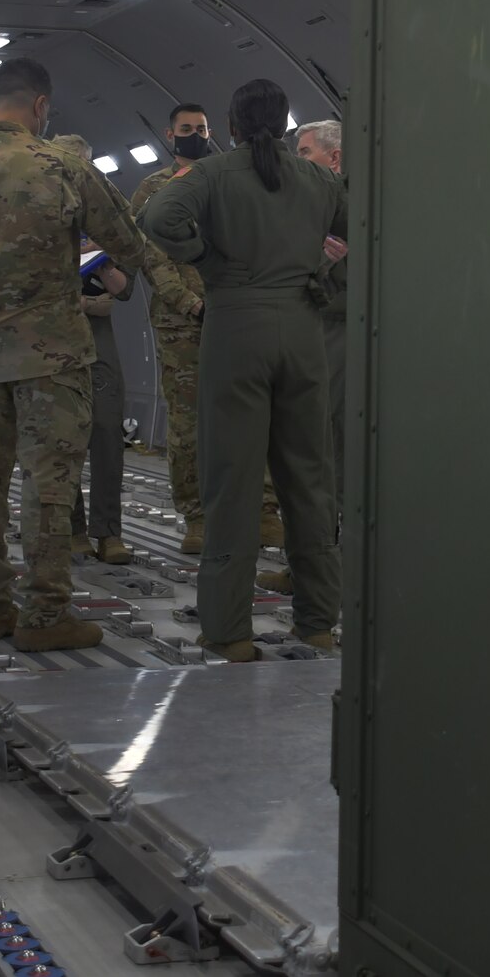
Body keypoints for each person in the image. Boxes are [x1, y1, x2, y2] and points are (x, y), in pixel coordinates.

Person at [0, 58, 149, 651]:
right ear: (41, 108)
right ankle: (46, 613)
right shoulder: (63, 166)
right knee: (49, 484)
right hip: (52, 356)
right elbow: (127, 242)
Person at [142, 78, 346, 662]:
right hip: (304, 335)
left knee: (232, 480)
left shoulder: (210, 175)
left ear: (229, 126)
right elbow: (360, 226)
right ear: (286, 126)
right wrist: (319, 272)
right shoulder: (319, 179)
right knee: (309, 480)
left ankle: (230, 630)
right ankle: (315, 623)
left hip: (235, 332)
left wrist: (208, 260)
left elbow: (159, 221)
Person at [128, 102, 284, 556]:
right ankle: (197, 516)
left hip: (235, 312)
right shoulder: (153, 188)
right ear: (169, 133)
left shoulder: (227, 179)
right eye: (186, 128)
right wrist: (189, 303)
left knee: (255, 412)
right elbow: (148, 253)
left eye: (201, 128)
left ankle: (264, 510)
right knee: (188, 423)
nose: (195, 134)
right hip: (181, 324)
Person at [259, 118, 349, 596]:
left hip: (340, 337)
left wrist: (326, 261)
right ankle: (308, 566)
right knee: (308, 457)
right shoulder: (311, 205)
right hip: (309, 336)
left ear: (334, 159)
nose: (297, 160)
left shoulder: (348, 206)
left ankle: (333, 573)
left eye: (306, 151)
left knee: (334, 457)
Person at [47, 134, 136, 566]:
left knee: (106, 437)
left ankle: (108, 532)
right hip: (52, 342)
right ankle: (73, 529)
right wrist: (83, 301)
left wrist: (100, 260)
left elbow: (123, 290)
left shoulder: (106, 219)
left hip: (97, 345)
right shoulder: (36, 216)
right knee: (58, 442)